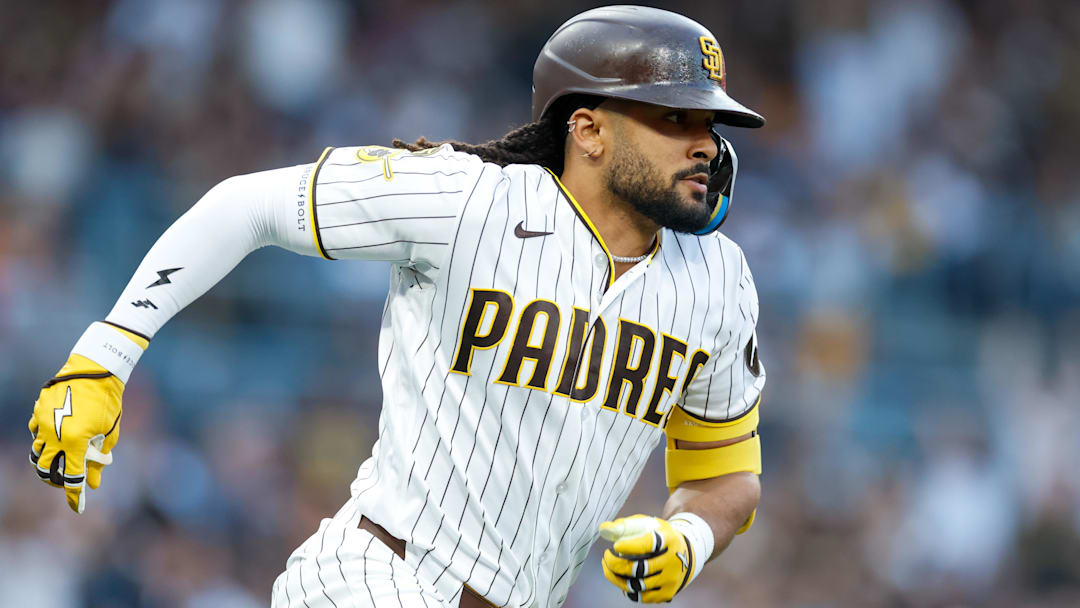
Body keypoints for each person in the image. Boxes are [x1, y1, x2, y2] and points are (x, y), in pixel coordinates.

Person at [28, 6, 766, 607]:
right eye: (675, 119)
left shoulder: (718, 281)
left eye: (710, 125)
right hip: (377, 574)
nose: (705, 143)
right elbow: (245, 205)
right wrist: (107, 354)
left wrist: (690, 539)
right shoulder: (465, 196)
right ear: (589, 129)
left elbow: (724, 474)